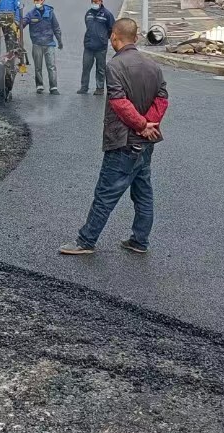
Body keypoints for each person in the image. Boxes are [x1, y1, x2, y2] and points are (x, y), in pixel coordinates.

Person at [61, 18, 168, 255]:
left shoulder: (115, 66)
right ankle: (139, 241)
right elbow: (162, 99)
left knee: (105, 194)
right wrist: (149, 125)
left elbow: (119, 102)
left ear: (114, 38)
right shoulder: (153, 65)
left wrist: (140, 125)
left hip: (123, 142)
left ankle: (85, 241)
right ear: (136, 38)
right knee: (143, 193)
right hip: (146, 143)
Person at [21, 0, 62, 94]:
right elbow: (23, 23)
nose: (36, 3)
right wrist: (18, 22)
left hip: (49, 44)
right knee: (38, 67)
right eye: (34, 1)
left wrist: (59, 41)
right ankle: (39, 86)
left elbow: (56, 28)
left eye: (38, 1)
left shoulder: (50, 13)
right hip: (37, 44)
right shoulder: (31, 14)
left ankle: (53, 88)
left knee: (51, 66)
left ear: (43, 0)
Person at [79, 0, 116, 95]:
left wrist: (104, 38)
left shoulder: (107, 14)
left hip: (101, 47)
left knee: (100, 69)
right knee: (86, 67)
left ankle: (99, 88)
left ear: (101, 1)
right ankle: (84, 87)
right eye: (92, 1)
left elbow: (112, 28)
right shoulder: (89, 13)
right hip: (89, 46)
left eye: (95, 1)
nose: (93, 3)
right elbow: (87, 25)